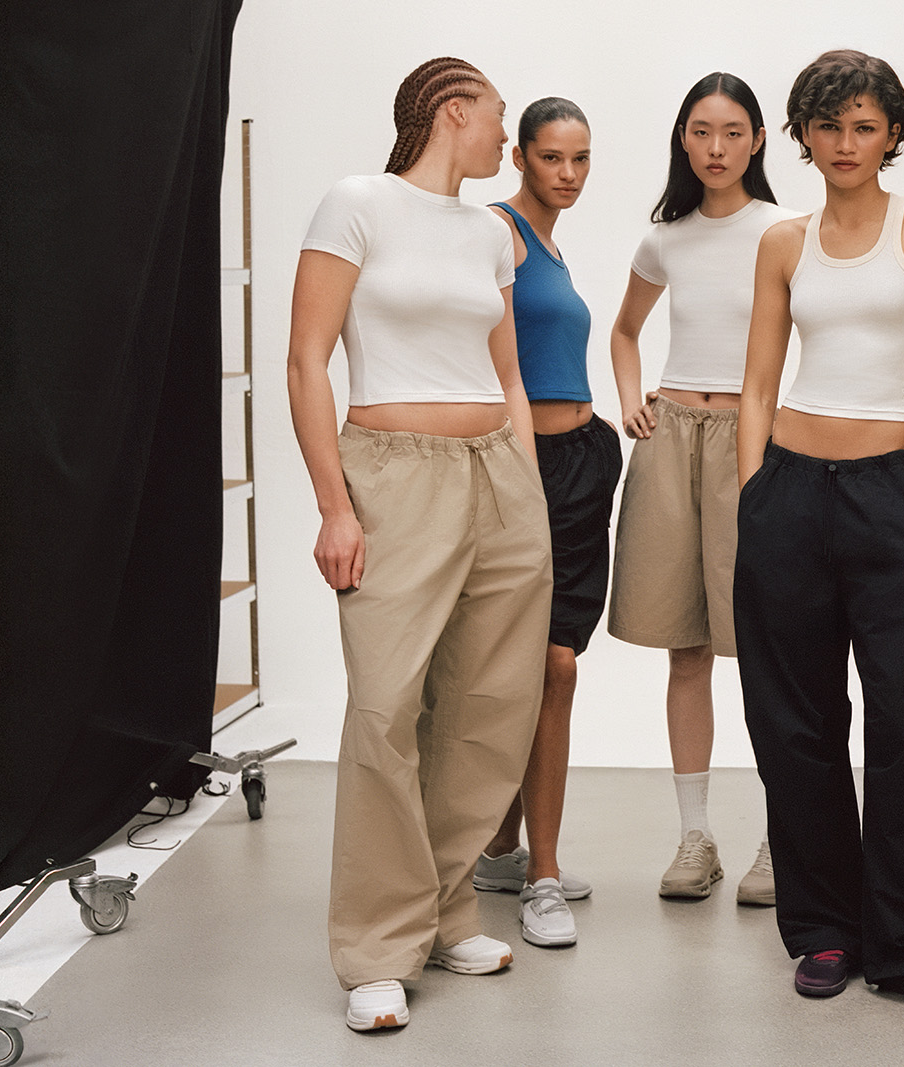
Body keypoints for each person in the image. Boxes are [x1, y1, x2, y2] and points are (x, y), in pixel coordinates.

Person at [288, 56, 552, 1031]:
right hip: (392, 472)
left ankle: (441, 910)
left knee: (489, 706)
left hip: (498, 476)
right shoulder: (356, 203)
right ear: (453, 113)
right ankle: (375, 946)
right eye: (498, 118)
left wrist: (523, 480)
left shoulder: (493, 234)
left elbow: (510, 376)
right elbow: (305, 357)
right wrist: (335, 504)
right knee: (386, 707)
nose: (505, 137)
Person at [734, 49, 904, 1023]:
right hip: (789, 492)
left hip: (892, 493)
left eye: (864, 126)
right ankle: (825, 927)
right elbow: (756, 380)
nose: (845, 144)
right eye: (829, 126)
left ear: (892, 134)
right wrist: (756, 491)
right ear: (802, 134)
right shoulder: (781, 244)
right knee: (795, 724)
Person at [606, 72, 800, 905]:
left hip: (756, 445)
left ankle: (782, 840)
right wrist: (631, 399)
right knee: (687, 647)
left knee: (769, 648)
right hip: (674, 435)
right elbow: (624, 330)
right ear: (682, 140)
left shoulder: (786, 231)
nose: (714, 148)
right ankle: (696, 837)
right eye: (698, 131)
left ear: (757, 139)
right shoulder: (667, 238)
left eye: (731, 132)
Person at [473, 97, 621, 950]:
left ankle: (500, 844)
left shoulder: (551, 247)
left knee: (552, 661)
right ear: (520, 157)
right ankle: (541, 875)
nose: (568, 174)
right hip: (526, 467)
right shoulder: (495, 230)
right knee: (548, 666)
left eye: (582, 158)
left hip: (580, 463)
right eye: (552, 157)